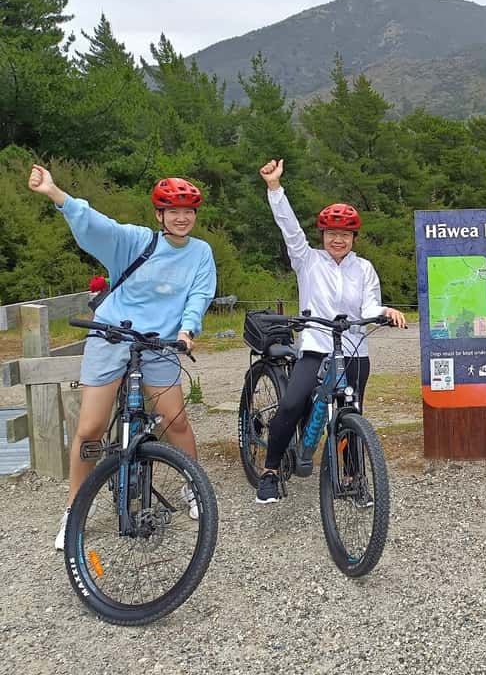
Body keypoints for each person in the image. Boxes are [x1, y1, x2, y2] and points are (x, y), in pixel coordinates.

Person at [28, 165, 217, 550]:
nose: (182, 217)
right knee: (90, 428)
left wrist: (187, 329)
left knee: (174, 420)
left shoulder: (201, 253)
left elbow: (199, 294)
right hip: (112, 335)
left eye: (189, 211)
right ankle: (74, 510)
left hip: (161, 343)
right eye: (173, 210)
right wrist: (55, 193)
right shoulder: (136, 241)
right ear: (159, 215)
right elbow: (98, 225)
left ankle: (193, 486)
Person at [254, 159, 407, 504]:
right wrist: (275, 188)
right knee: (292, 404)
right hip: (316, 344)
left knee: (351, 412)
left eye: (345, 234)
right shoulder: (307, 260)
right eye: (332, 233)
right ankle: (271, 470)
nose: (338, 239)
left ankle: (353, 478)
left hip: (353, 348)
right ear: (322, 236)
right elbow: (289, 228)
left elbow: (367, 307)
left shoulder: (364, 268)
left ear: (354, 237)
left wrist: (384, 311)